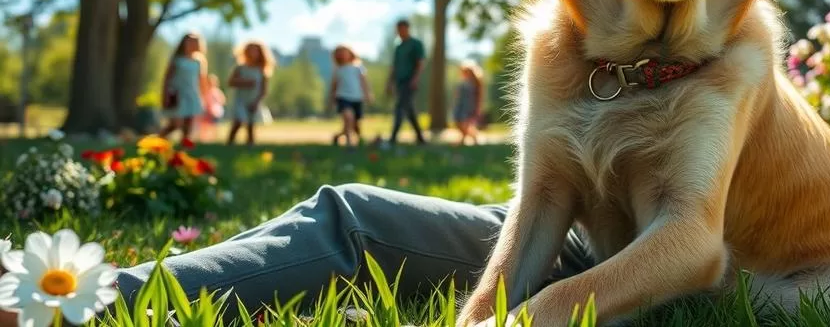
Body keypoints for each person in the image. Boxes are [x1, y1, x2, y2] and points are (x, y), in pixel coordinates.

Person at [106, 184, 594, 318]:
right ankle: (97, 293)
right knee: (351, 216)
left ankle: (92, 300)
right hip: (580, 231)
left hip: (617, 252)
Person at [158, 33, 208, 141]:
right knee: (175, 123)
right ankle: (158, 139)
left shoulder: (198, 62)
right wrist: (165, 94)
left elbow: (201, 80)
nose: (192, 44)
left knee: (188, 124)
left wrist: (204, 96)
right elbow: (167, 78)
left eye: (195, 42)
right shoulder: (177, 60)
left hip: (192, 94)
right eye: (189, 41)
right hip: (178, 94)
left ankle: (185, 146)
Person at [386, 19, 427, 146]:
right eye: (398, 30)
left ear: (407, 29)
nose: (400, 32)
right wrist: (389, 82)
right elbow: (394, 66)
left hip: (409, 81)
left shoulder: (415, 44)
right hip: (399, 81)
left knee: (400, 107)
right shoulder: (398, 47)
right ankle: (420, 138)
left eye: (402, 29)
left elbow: (420, 63)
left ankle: (392, 138)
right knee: (409, 110)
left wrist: (416, 78)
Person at [226, 41, 275, 146]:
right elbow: (230, 82)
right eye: (250, 50)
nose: (252, 53)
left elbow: (264, 90)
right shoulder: (240, 68)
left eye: (255, 51)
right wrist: (244, 82)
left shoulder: (261, 71)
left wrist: (256, 102)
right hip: (240, 100)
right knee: (238, 121)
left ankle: (250, 144)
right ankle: (230, 143)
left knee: (251, 124)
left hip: (253, 101)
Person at [329, 45, 371, 147]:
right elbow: (334, 85)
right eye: (340, 53)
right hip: (343, 97)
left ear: (350, 53)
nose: (342, 55)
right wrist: (332, 98)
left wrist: (368, 94)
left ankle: (339, 136)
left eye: (344, 52)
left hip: (357, 98)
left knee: (355, 125)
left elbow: (364, 82)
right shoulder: (338, 70)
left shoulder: (358, 68)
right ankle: (349, 143)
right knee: (348, 117)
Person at [453, 60, 484, 145]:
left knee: (465, 123)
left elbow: (479, 96)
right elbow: (458, 94)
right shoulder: (463, 81)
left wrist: (478, 108)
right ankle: (474, 136)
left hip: (469, 106)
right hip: (460, 105)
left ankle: (463, 140)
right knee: (458, 122)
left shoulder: (476, 82)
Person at [199, 74, 226, 142]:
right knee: (206, 125)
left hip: (215, 112)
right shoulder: (207, 92)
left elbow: (222, 100)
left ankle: (212, 138)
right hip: (208, 111)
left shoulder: (216, 92)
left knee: (213, 125)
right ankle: (205, 138)